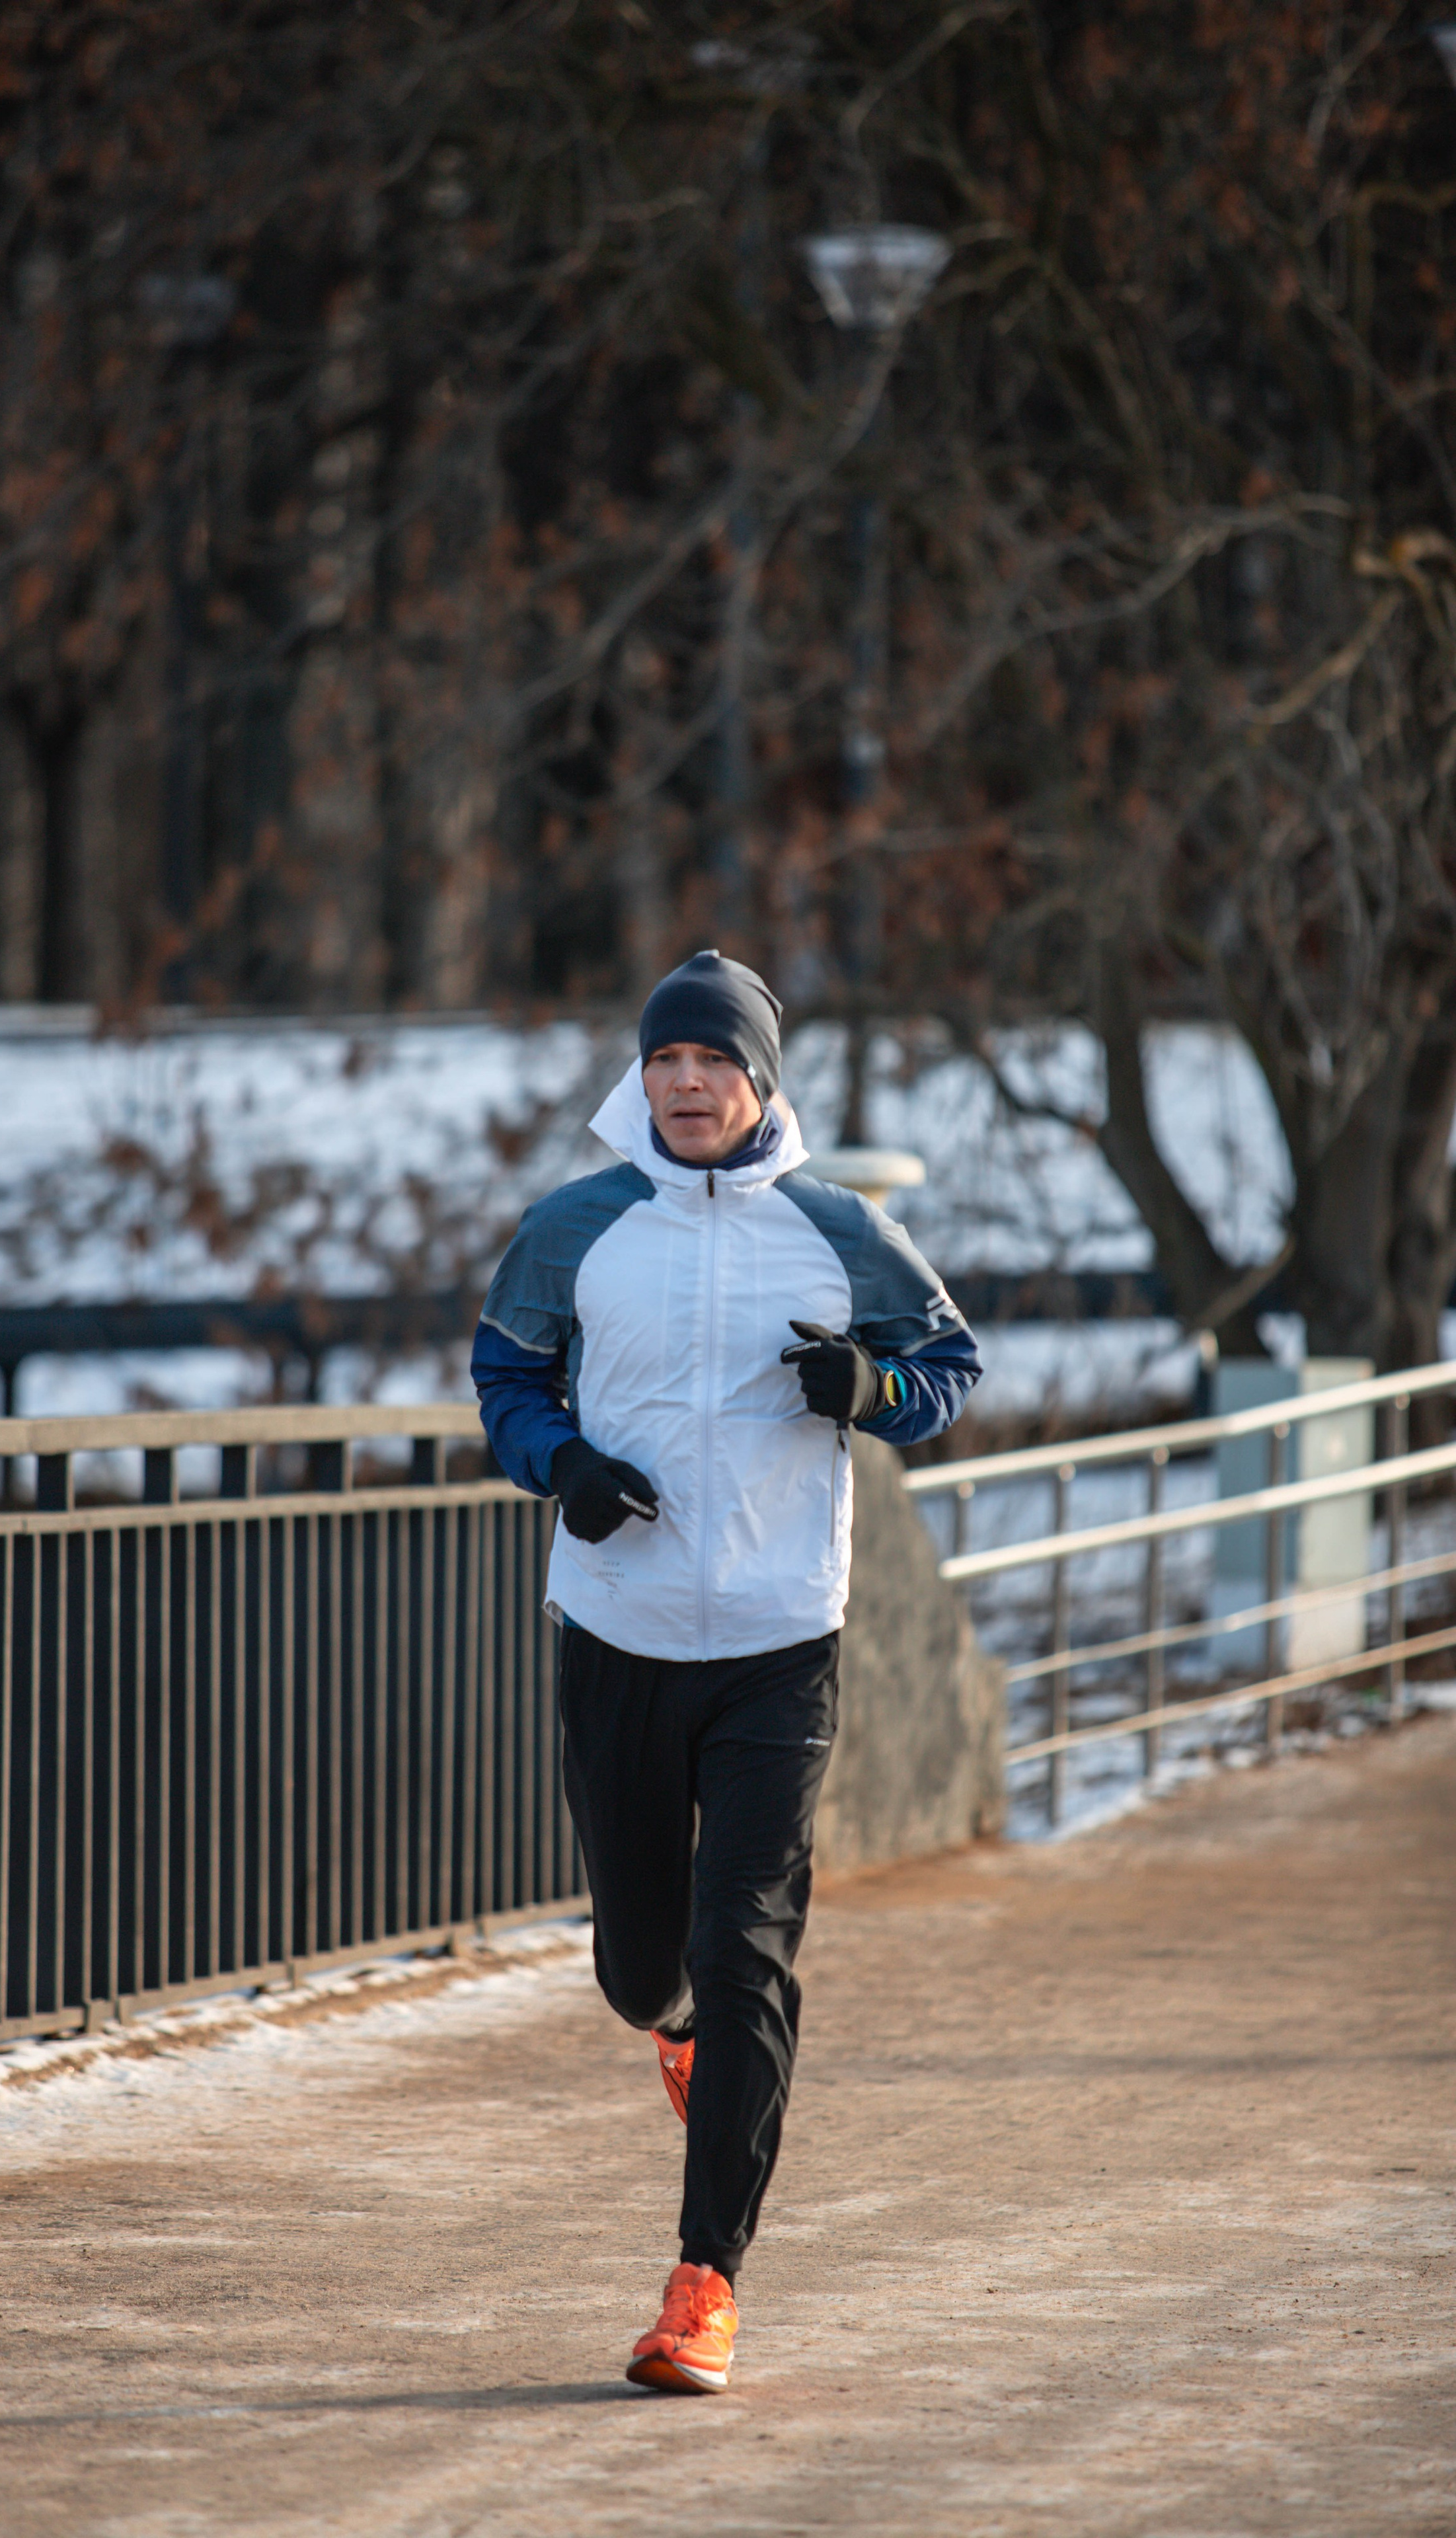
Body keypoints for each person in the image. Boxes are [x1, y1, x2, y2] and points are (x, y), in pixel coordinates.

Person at [471, 950, 981, 2394]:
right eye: (665, 1061)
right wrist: (557, 1463)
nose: (687, 1083)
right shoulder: (573, 1228)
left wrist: (870, 1391)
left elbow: (946, 1367)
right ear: (639, 1079)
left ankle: (703, 2286)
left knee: (746, 1948)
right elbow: (506, 1377)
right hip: (617, 1631)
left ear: (760, 1081)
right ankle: (675, 2028)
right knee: (645, 1970)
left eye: (715, 1062)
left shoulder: (838, 1230)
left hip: (776, 1642)